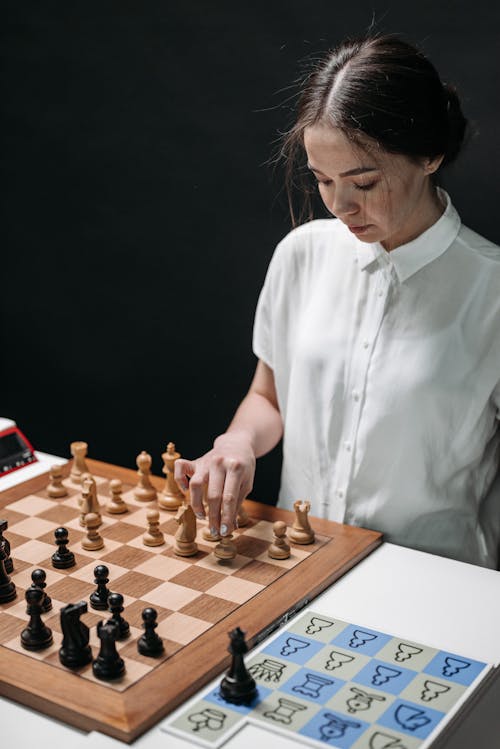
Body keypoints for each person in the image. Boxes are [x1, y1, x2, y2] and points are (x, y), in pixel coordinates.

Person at [175, 33, 500, 568]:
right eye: (321, 179)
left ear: (431, 155)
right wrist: (236, 442)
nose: (340, 205)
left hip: (437, 579)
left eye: (364, 182)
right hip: (296, 560)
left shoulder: (489, 291)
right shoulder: (301, 255)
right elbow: (270, 397)